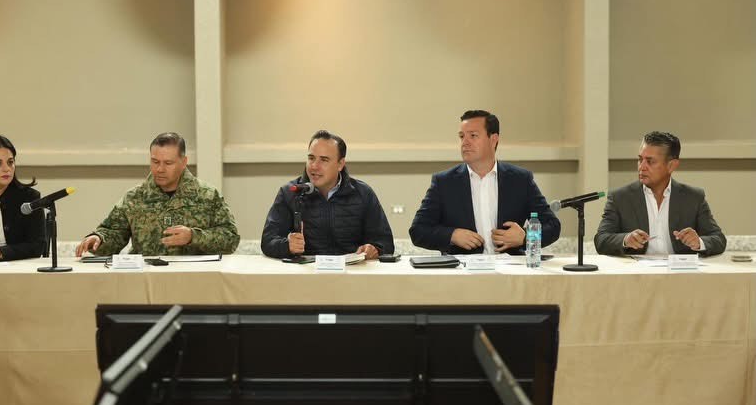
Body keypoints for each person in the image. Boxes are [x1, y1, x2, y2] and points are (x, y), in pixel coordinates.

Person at [409, 110, 560, 255]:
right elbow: (418, 230)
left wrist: (525, 237)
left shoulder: (520, 179)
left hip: (509, 269)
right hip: (463, 269)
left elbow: (552, 226)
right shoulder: (444, 182)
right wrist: (452, 235)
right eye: (461, 136)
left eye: (473, 136)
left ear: (493, 139)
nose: (465, 142)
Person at [75, 132, 239, 256]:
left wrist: (193, 237)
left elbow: (230, 239)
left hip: (193, 281)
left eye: (168, 163)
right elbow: (114, 233)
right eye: (155, 162)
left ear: (183, 162)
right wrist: (99, 239)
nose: (160, 169)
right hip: (145, 282)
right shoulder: (135, 197)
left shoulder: (207, 196)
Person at [261, 129, 394, 259]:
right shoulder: (290, 192)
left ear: (340, 164)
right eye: (311, 158)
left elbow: (385, 243)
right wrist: (287, 245)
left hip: (352, 270)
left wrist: (374, 249)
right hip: (307, 271)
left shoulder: (363, 193)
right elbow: (268, 241)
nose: (314, 166)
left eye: (324, 160)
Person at [594, 131, 726, 256]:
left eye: (650, 161)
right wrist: (625, 239)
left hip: (679, 270)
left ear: (671, 166)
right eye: (640, 159)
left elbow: (718, 239)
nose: (642, 167)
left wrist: (699, 242)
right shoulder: (620, 198)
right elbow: (601, 240)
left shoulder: (693, 198)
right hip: (637, 271)